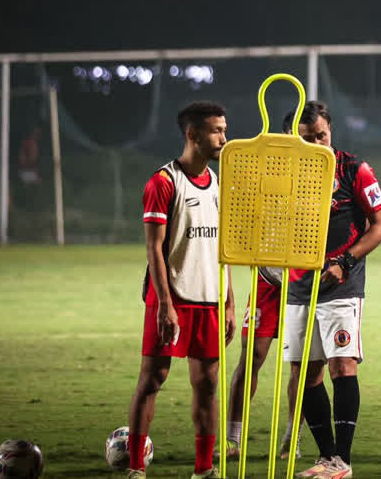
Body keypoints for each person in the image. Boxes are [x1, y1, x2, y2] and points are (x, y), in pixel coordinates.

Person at [223, 102, 381, 479]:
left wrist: (344, 262)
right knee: (306, 371)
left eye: (322, 136)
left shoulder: (354, 170)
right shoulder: (281, 175)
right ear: (291, 139)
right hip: (296, 285)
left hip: (341, 285)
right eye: (307, 138)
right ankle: (327, 457)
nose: (316, 143)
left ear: (331, 132)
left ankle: (343, 462)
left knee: (342, 365)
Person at [127, 101, 236, 479]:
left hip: (209, 300)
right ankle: (136, 467)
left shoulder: (219, 184)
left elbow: (222, 248)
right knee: (153, 379)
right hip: (171, 300)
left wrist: (229, 302)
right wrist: (165, 306)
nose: (224, 137)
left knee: (207, 386)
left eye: (224, 129)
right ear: (193, 135)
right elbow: (154, 248)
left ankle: (204, 470)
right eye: (216, 131)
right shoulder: (163, 182)